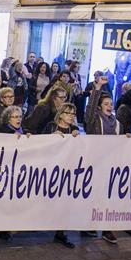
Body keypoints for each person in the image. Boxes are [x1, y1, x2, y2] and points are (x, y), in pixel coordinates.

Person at [83, 76, 123, 244]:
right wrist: (98, 87)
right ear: (100, 106)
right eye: (106, 104)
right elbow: (90, 108)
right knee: (93, 195)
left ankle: (107, 229)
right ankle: (89, 224)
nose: (109, 106)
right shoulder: (94, 119)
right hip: (95, 162)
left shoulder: (117, 123)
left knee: (108, 196)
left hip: (111, 164)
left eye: (111, 104)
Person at [41, 104, 78, 249]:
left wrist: (77, 138)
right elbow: (38, 143)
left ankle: (60, 232)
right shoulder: (50, 126)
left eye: (73, 114)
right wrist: (50, 138)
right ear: (61, 114)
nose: (71, 116)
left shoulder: (74, 130)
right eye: (68, 113)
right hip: (50, 168)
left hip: (66, 170)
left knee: (63, 201)